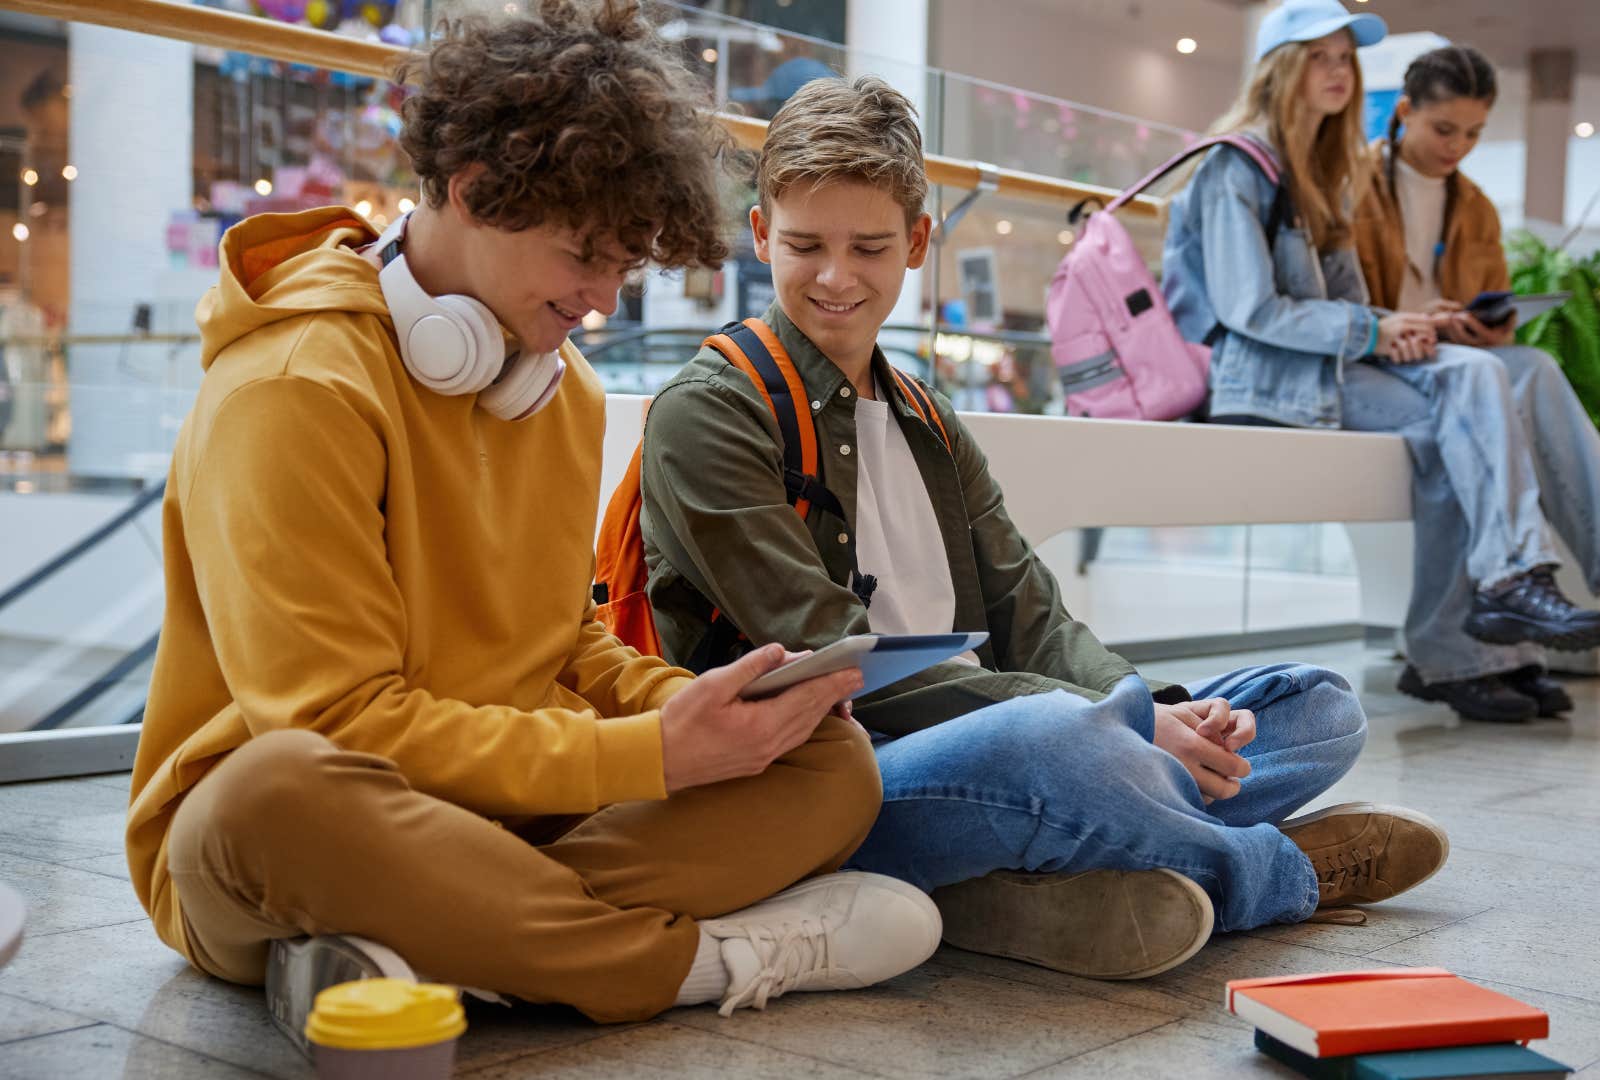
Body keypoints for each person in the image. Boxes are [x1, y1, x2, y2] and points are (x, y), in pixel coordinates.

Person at [125, 0, 940, 1048]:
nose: (601, 297)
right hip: (302, 820)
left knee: (832, 769)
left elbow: (563, 641)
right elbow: (332, 724)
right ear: (472, 191)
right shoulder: (293, 385)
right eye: (582, 256)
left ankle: (442, 939)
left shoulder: (558, 387)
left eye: (622, 265)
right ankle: (692, 962)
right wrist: (646, 759)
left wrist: (710, 712)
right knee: (274, 794)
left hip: (505, 813)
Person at [637, 73, 1449, 983]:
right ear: (759, 236)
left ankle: (1036, 869)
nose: (836, 276)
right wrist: (1123, 726)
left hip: (1009, 736)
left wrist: (1152, 708)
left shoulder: (926, 418)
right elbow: (836, 663)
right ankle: (1272, 873)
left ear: (915, 243)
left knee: (1318, 704)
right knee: (1056, 745)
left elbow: (1035, 613)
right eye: (804, 245)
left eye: (868, 246)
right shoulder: (708, 414)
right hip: (836, 778)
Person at [1161, 0, 1600, 725]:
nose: (1340, 72)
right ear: (1281, 68)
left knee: (1494, 379)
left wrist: (1398, 325)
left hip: (1330, 366)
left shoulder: (1319, 172)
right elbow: (1252, 310)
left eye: (1346, 58)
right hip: (1270, 382)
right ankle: (1512, 586)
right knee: (1475, 387)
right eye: (1321, 57)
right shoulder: (1238, 166)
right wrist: (1380, 331)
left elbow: (1346, 304)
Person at [1350, 43, 1600, 720]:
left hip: (1445, 359)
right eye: (1444, 130)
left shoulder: (1473, 206)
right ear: (1406, 111)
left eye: (1474, 134)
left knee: (1531, 366)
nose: (1458, 148)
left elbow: (1488, 303)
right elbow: (1336, 299)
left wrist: (1483, 328)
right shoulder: (1352, 183)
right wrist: (1413, 322)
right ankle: (1462, 650)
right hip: (1371, 359)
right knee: (1470, 408)